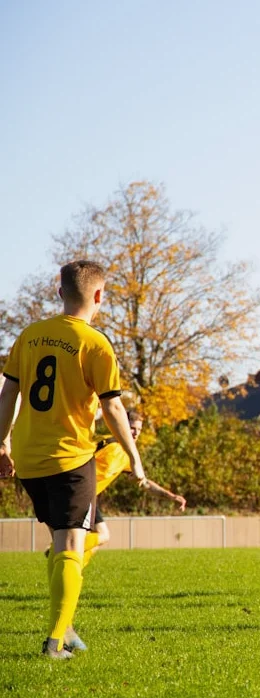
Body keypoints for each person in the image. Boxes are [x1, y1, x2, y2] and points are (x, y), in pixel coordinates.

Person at [0, 260, 145, 659]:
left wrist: (1, 445)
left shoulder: (29, 336)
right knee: (70, 545)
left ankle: (66, 627)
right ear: (99, 296)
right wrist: (134, 456)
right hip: (70, 458)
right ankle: (54, 642)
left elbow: (7, 396)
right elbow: (114, 409)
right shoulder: (95, 343)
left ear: (60, 292)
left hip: (30, 458)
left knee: (62, 541)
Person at [84, 409, 186, 565]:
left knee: (99, 538)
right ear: (122, 424)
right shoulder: (106, 443)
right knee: (100, 535)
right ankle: (63, 550)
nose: (136, 433)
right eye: (132, 428)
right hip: (79, 492)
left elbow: (145, 483)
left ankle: (72, 565)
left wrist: (170, 496)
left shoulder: (128, 456)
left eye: (139, 429)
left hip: (90, 497)